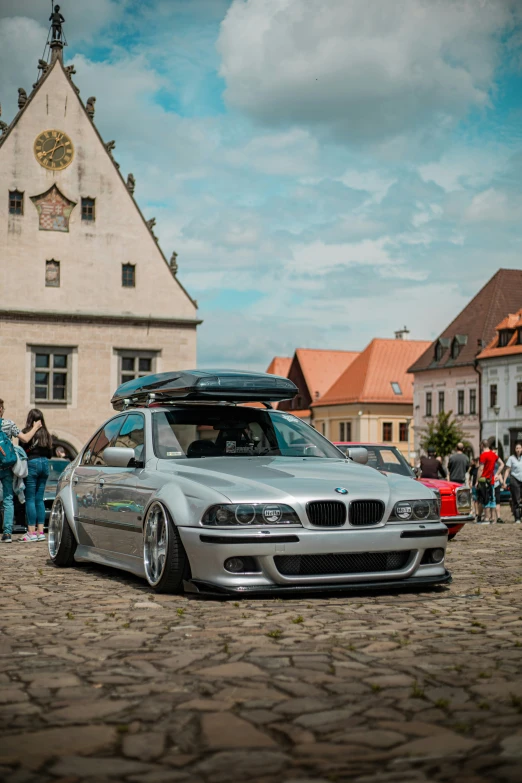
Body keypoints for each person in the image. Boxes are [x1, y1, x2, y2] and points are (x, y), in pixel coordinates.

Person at [0, 399, 42, 543]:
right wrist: (35, 427)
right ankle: (7, 534)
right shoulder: (8, 424)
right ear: (2, 410)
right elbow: (24, 438)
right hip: (6, 466)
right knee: (8, 499)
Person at [19, 409, 52, 542]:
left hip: (32, 463)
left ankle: (31, 532)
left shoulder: (26, 431)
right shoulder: (46, 433)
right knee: (39, 499)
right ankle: (41, 531)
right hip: (45, 464)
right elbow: (50, 453)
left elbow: (22, 449)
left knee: (30, 499)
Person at [476, 440, 498, 524]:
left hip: (484, 480)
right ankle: (493, 518)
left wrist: (477, 481)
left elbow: (481, 469)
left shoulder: (483, 455)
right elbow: (502, 464)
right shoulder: (493, 455)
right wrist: (497, 474)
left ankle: (486, 518)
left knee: (485, 499)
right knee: (492, 499)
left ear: (482, 445)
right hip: (491, 480)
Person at [504, 442, 522, 524]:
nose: (518, 450)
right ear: (514, 449)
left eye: (519, 448)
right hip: (514, 479)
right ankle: (517, 517)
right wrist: (504, 481)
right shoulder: (511, 458)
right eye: (517, 448)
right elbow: (507, 470)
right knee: (516, 499)